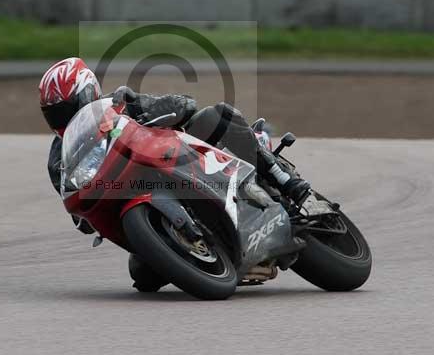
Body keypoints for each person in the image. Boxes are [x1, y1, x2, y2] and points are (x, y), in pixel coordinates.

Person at [38, 57, 311, 290]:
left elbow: (182, 105)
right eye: (55, 113)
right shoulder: (59, 159)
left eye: (67, 108)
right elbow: (79, 212)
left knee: (216, 116)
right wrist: (84, 215)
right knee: (143, 276)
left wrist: (166, 110)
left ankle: (284, 181)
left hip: (178, 160)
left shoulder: (120, 104)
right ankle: (214, 253)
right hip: (130, 198)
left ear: (89, 92)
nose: (64, 117)